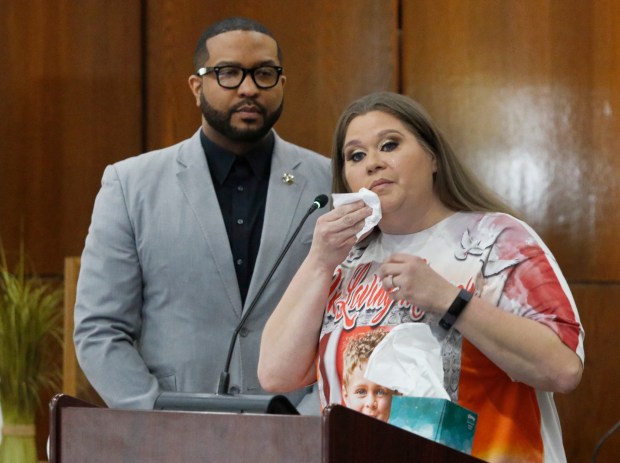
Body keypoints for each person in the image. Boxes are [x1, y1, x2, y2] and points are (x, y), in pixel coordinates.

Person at [258, 92, 584, 462]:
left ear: (432, 156)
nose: (373, 163)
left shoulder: (497, 240)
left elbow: (562, 369)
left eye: (390, 145)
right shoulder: (343, 258)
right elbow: (275, 374)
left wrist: (449, 300)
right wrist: (318, 261)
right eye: (356, 155)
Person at [73, 17, 331, 411]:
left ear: (282, 84)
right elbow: (100, 329)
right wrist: (156, 417)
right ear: (197, 87)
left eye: (264, 73)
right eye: (228, 73)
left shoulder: (330, 182)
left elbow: (352, 322)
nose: (248, 88)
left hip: (299, 428)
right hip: (170, 435)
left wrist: (310, 418)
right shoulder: (130, 185)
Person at [340, 328, 395, 422]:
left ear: (395, 394)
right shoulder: (338, 434)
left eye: (380, 392)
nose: (370, 403)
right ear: (346, 395)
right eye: (361, 392)